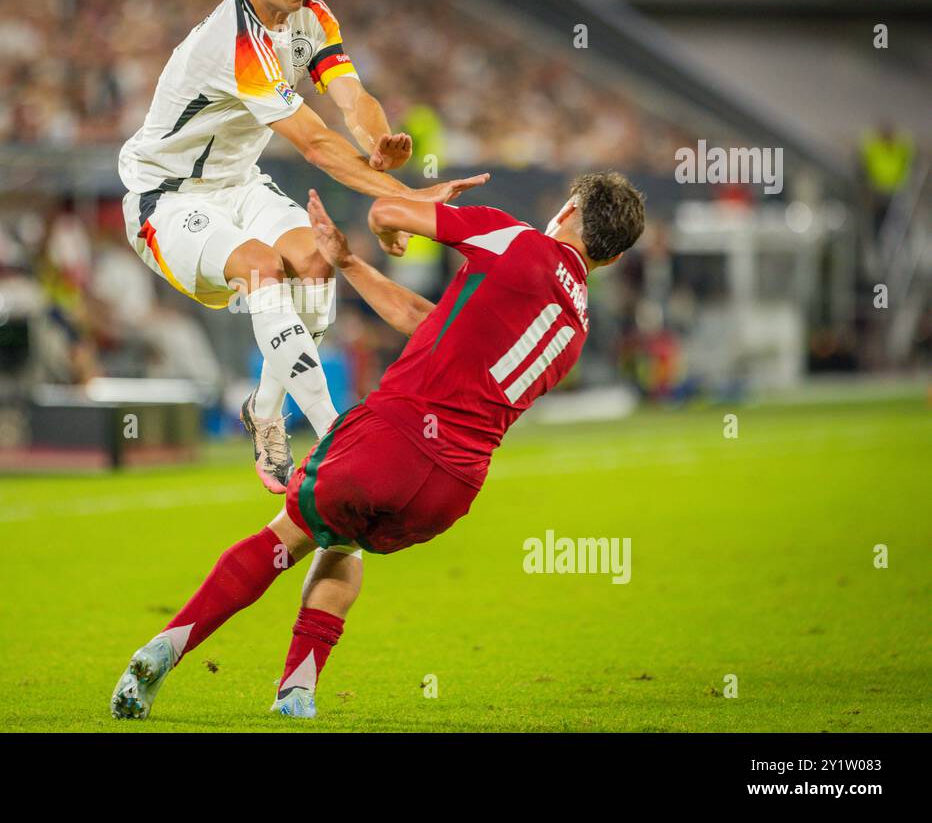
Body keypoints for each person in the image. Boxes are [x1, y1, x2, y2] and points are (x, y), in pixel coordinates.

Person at [111, 171, 647, 720]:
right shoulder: (575, 326)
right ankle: (297, 692)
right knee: (344, 543)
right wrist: (347, 264)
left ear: (570, 210)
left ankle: (165, 647)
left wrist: (413, 206)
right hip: (451, 488)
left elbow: (386, 214)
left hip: (391, 438)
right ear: (611, 258)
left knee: (285, 539)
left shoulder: (516, 238)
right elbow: (428, 323)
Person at [116, 0, 482, 496]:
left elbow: (350, 98)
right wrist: (406, 198)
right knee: (263, 268)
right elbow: (313, 144)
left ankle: (264, 413)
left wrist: (375, 138)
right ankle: (337, 437)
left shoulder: (311, 15)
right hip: (168, 198)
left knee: (316, 260)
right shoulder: (233, 41)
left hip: (240, 185)